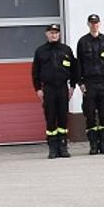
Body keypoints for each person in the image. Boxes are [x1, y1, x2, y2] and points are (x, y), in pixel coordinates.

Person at [31, 24, 77, 159]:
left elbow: (74, 69)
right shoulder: (41, 51)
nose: (54, 35)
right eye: (51, 33)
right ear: (47, 34)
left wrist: (72, 86)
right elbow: (35, 72)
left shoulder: (66, 50)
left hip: (62, 88)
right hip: (49, 89)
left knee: (63, 118)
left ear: (59, 35)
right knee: (50, 118)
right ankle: (52, 148)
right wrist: (38, 89)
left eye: (56, 33)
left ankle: (63, 147)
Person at [74, 14, 104, 155]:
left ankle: (103, 144)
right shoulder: (83, 42)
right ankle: (93, 145)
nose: (94, 25)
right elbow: (79, 63)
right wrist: (80, 83)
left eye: (96, 23)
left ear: (100, 24)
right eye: (92, 23)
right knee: (90, 114)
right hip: (89, 84)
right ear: (88, 24)